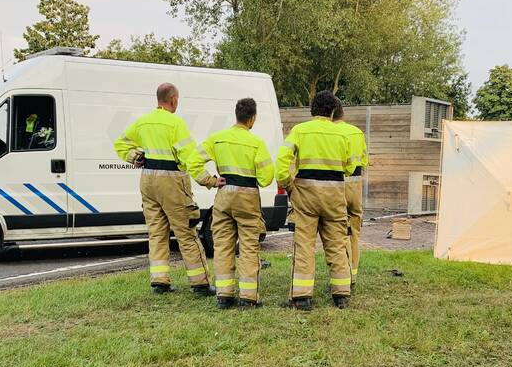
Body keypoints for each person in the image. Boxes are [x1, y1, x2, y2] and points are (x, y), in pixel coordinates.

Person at [114, 83, 216, 295]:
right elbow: (190, 158)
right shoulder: (176, 123)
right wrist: (209, 180)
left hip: (148, 180)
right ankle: (201, 284)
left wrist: (135, 157)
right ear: (174, 100)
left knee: (157, 233)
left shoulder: (143, 122)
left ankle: (159, 281)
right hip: (172, 182)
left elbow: (120, 144)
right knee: (186, 232)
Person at [275, 90, 357, 310]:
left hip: (306, 195)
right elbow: (350, 166)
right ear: (332, 111)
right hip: (334, 195)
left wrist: (289, 185)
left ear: (312, 110)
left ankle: (302, 297)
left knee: (304, 244)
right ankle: (341, 294)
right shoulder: (342, 135)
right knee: (337, 244)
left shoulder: (300, 131)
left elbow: (281, 162)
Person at [198, 98, 275, 310]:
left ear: (236, 115)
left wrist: (210, 180)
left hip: (224, 194)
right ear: (253, 118)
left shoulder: (217, 139)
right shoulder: (256, 143)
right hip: (247, 196)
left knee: (222, 245)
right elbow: (267, 177)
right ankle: (249, 297)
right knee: (249, 245)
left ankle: (224, 295)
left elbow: (193, 160)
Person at [333, 105, 368, 289]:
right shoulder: (358, 133)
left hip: (336, 185)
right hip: (356, 184)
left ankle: (342, 277)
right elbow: (364, 161)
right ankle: (353, 276)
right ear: (343, 114)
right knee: (354, 232)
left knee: (338, 234)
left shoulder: (330, 132)